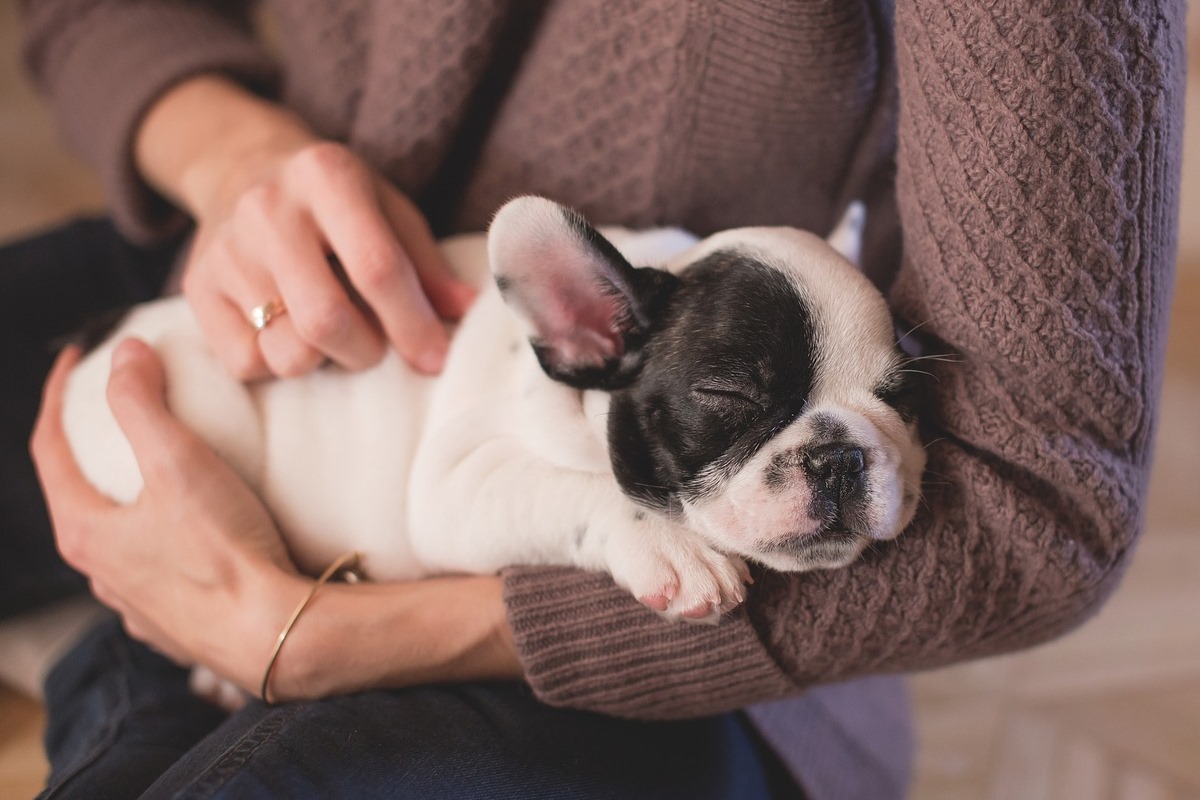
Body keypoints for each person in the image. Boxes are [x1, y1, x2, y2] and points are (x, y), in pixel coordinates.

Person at [3, 0, 1185, 797]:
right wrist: (231, 155)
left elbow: (1043, 502)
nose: (836, 454)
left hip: (651, 655)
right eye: (741, 405)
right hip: (260, 296)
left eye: (889, 401)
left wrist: (309, 639)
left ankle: (116, 667)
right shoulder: (607, 324)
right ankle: (126, 654)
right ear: (579, 333)